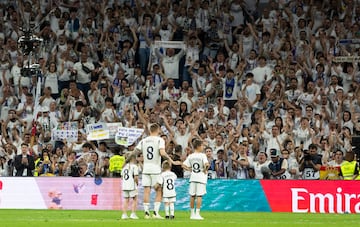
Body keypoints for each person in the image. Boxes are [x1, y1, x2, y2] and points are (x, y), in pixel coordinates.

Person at [135, 123, 177, 219]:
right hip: (155, 169)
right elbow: (162, 152)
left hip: (146, 169)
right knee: (159, 190)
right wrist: (171, 160)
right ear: (158, 130)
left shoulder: (144, 140)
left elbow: (136, 151)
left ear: (150, 130)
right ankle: (155, 213)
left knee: (147, 191)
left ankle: (146, 213)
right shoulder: (160, 140)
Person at [182, 139, 209, 220]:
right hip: (201, 178)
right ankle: (197, 214)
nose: (203, 147)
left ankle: (192, 214)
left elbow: (183, 165)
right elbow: (207, 164)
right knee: (199, 196)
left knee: (192, 196)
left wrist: (190, 169)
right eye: (202, 146)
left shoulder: (191, 156)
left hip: (193, 177)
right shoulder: (202, 155)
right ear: (198, 146)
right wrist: (205, 169)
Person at [121, 152, 139, 220]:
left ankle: (124, 214)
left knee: (126, 200)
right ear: (132, 158)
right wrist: (137, 183)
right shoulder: (134, 166)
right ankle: (133, 214)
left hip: (125, 185)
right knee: (135, 199)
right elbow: (136, 177)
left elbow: (122, 177)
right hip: (132, 185)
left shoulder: (123, 167)